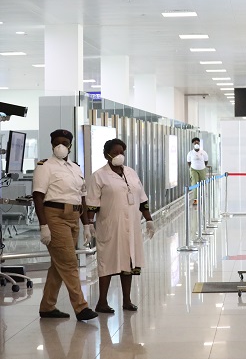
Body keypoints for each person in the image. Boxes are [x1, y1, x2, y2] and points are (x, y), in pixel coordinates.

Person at [32, 129, 98, 321]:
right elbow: (38, 196)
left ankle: (47, 306)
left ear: (70, 145)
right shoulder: (45, 166)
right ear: (52, 144)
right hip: (55, 216)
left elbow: (82, 196)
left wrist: (86, 224)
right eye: (57, 142)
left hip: (74, 215)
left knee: (58, 264)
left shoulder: (75, 167)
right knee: (69, 263)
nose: (60, 145)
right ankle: (81, 307)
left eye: (64, 142)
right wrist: (43, 225)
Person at [86, 138, 155, 313]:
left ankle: (127, 300)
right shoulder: (99, 176)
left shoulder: (131, 173)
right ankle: (102, 302)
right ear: (106, 155)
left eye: (121, 152)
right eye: (115, 152)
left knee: (129, 262)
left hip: (131, 226)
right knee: (107, 262)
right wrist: (89, 224)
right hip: (110, 226)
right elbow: (92, 203)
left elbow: (142, 199)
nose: (119, 155)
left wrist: (149, 219)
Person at [187, 137, 208, 203]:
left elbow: (206, 161)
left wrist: (202, 166)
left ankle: (201, 195)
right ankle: (196, 199)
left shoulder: (203, 152)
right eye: (195, 142)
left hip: (202, 169)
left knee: (202, 183)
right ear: (193, 144)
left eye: (197, 142)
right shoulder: (190, 153)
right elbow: (189, 162)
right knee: (194, 183)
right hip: (193, 169)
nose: (196, 143)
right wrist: (191, 168)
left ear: (199, 143)